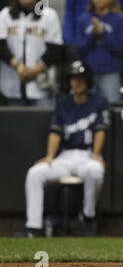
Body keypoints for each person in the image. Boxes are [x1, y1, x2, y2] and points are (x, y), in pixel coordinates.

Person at [18, 60, 110, 237]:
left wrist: (97, 155)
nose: (76, 83)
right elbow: (55, 132)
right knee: (35, 173)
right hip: (66, 156)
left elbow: (101, 131)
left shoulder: (99, 101)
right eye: (73, 79)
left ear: (88, 81)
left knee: (95, 171)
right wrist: (50, 156)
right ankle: (33, 227)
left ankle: (89, 217)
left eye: (80, 79)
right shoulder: (63, 103)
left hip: (87, 154)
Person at [0, 0, 63, 106]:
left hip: (41, 84)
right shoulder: (5, 15)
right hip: (13, 81)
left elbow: (55, 49)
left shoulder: (49, 15)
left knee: (43, 122)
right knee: (15, 123)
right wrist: (19, 67)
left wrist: (33, 70)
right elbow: (1, 46)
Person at [76, 0, 123, 104]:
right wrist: (93, 35)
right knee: (85, 109)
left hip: (110, 73)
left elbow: (121, 50)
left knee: (112, 109)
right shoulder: (83, 20)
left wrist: (103, 34)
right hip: (87, 75)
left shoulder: (118, 19)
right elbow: (79, 49)